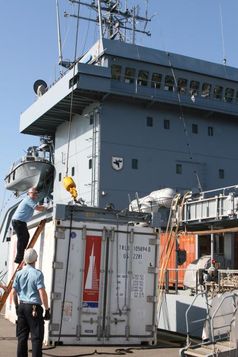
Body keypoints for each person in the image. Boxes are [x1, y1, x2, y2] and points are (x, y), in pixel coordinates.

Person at [12, 248, 50, 357]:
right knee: (36, 338)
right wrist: (47, 310)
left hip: (22, 306)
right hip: (34, 308)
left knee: (22, 338)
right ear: (36, 259)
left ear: (24, 259)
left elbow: (14, 292)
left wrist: (16, 306)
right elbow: (42, 293)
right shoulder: (37, 274)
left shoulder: (19, 273)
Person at [12, 187, 45, 264]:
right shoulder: (28, 200)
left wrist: (42, 206)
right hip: (18, 221)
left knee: (26, 236)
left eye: (36, 194)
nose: (34, 195)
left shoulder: (32, 200)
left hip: (21, 222)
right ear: (28, 194)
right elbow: (37, 208)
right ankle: (19, 258)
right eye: (33, 194)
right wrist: (45, 207)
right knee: (21, 238)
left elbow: (37, 206)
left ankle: (23, 253)